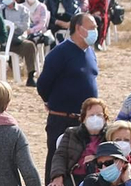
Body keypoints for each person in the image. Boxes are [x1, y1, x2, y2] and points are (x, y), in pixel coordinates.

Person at [35, 13, 100, 159]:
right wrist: (51, 102)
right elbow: (43, 84)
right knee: (57, 160)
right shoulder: (60, 53)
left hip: (86, 120)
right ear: (78, 28)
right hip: (62, 119)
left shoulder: (89, 51)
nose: (95, 31)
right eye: (92, 28)